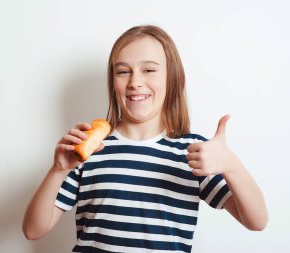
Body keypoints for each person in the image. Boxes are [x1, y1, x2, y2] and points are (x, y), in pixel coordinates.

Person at [22, 25, 268, 252]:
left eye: (149, 70)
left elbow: (257, 221)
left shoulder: (192, 152)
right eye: (123, 71)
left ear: (172, 78)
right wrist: (57, 170)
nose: (135, 82)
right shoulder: (89, 149)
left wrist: (231, 166)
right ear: (113, 81)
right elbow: (33, 230)